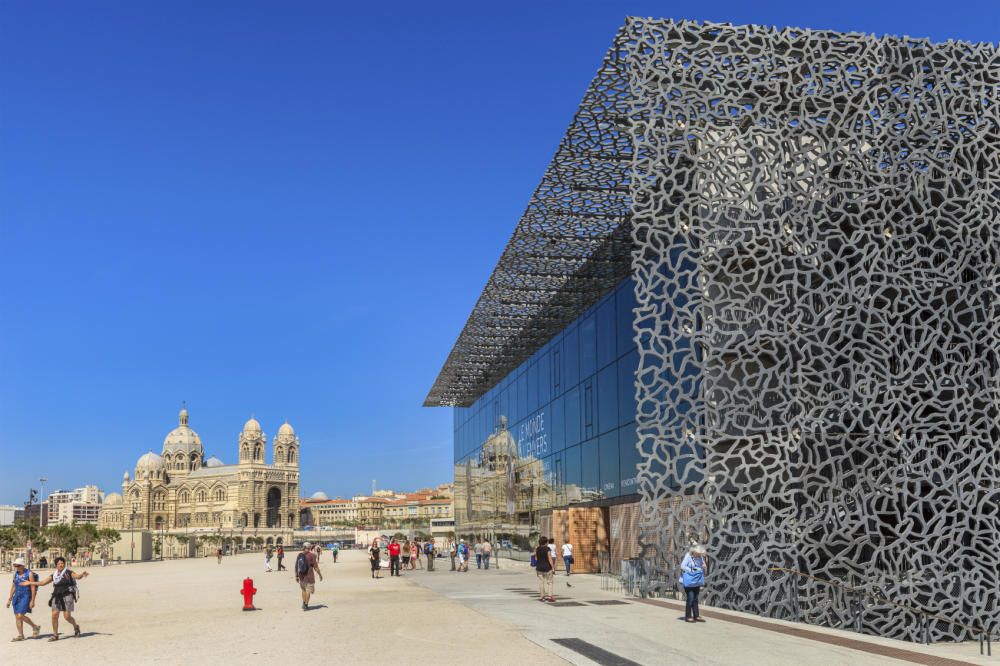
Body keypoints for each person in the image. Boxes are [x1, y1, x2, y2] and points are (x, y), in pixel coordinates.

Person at [20, 556, 89, 641]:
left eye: (62, 563)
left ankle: (76, 626)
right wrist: (30, 582)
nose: (61, 565)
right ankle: (55, 635)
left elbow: (77, 577)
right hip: (56, 596)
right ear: (56, 565)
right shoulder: (54, 575)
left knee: (67, 616)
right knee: (54, 615)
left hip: (67, 596)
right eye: (59, 563)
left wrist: (82, 574)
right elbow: (42, 582)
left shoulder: (68, 572)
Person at [7, 558, 40, 641]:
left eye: (18, 566)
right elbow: (13, 586)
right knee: (17, 617)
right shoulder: (15, 574)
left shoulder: (29, 574)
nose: (16, 567)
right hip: (17, 596)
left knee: (20, 615)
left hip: (25, 596)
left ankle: (35, 626)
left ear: (22, 566)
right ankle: (21, 635)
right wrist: (9, 599)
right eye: (15, 566)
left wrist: (33, 600)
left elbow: (33, 587)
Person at [680, 544, 708, 623]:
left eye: (700, 554)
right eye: (698, 554)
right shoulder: (688, 556)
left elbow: (703, 568)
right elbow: (682, 566)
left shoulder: (700, 557)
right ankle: (688, 616)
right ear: (694, 551)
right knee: (690, 598)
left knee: (695, 599)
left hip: (696, 581)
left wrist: (704, 566)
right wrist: (691, 570)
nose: (699, 555)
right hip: (689, 581)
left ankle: (696, 616)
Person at [295, 542, 321, 610]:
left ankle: (303, 603)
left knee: (303, 590)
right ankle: (306, 605)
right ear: (310, 548)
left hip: (301, 576)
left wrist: (296, 576)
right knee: (308, 591)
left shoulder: (299, 555)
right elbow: (316, 567)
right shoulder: (312, 555)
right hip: (309, 576)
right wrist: (320, 575)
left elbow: (296, 566)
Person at [534, 537, 554, 602]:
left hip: (539, 568)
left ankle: (542, 597)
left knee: (541, 582)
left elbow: (536, 558)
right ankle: (550, 597)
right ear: (546, 542)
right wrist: (553, 567)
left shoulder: (537, 549)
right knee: (550, 582)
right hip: (547, 568)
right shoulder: (548, 549)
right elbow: (550, 559)